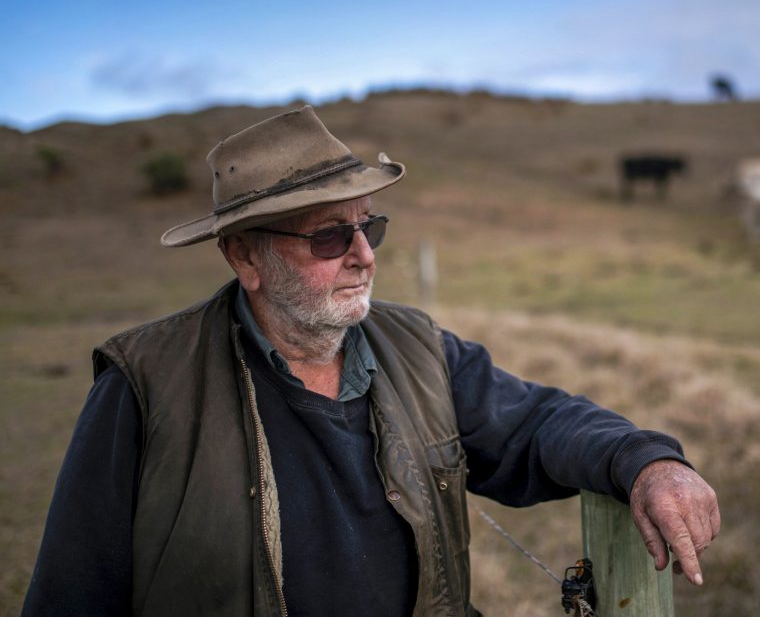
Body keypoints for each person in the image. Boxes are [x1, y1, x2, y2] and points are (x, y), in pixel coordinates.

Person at [22, 106, 719, 616]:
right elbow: (72, 592)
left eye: (370, 225)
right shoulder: (144, 385)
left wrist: (647, 459)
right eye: (330, 236)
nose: (365, 255)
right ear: (245, 257)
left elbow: (536, 422)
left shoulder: (415, 347)